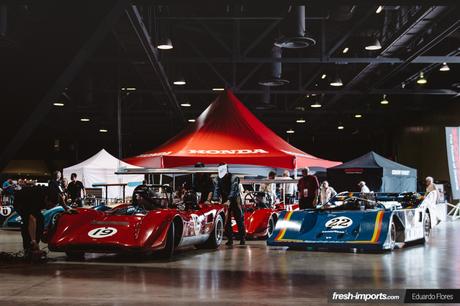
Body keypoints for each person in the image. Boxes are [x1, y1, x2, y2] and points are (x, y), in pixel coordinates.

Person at [13, 183, 53, 258]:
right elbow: (32, 219)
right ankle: (28, 249)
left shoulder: (52, 194)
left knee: (41, 219)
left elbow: (59, 197)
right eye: (49, 205)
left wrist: (66, 207)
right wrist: (33, 240)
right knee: (26, 222)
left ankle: (35, 245)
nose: (49, 208)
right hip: (21, 202)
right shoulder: (34, 201)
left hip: (32, 199)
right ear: (46, 199)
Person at [213, 163, 245, 246]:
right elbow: (216, 189)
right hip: (225, 199)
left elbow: (233, 190)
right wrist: (215, 199)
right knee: (226, 220)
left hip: (235, 199)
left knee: (239, 219)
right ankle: (230, 239)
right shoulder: (218, 178)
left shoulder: (234, 178)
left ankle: (242, 238)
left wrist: (229, 200)